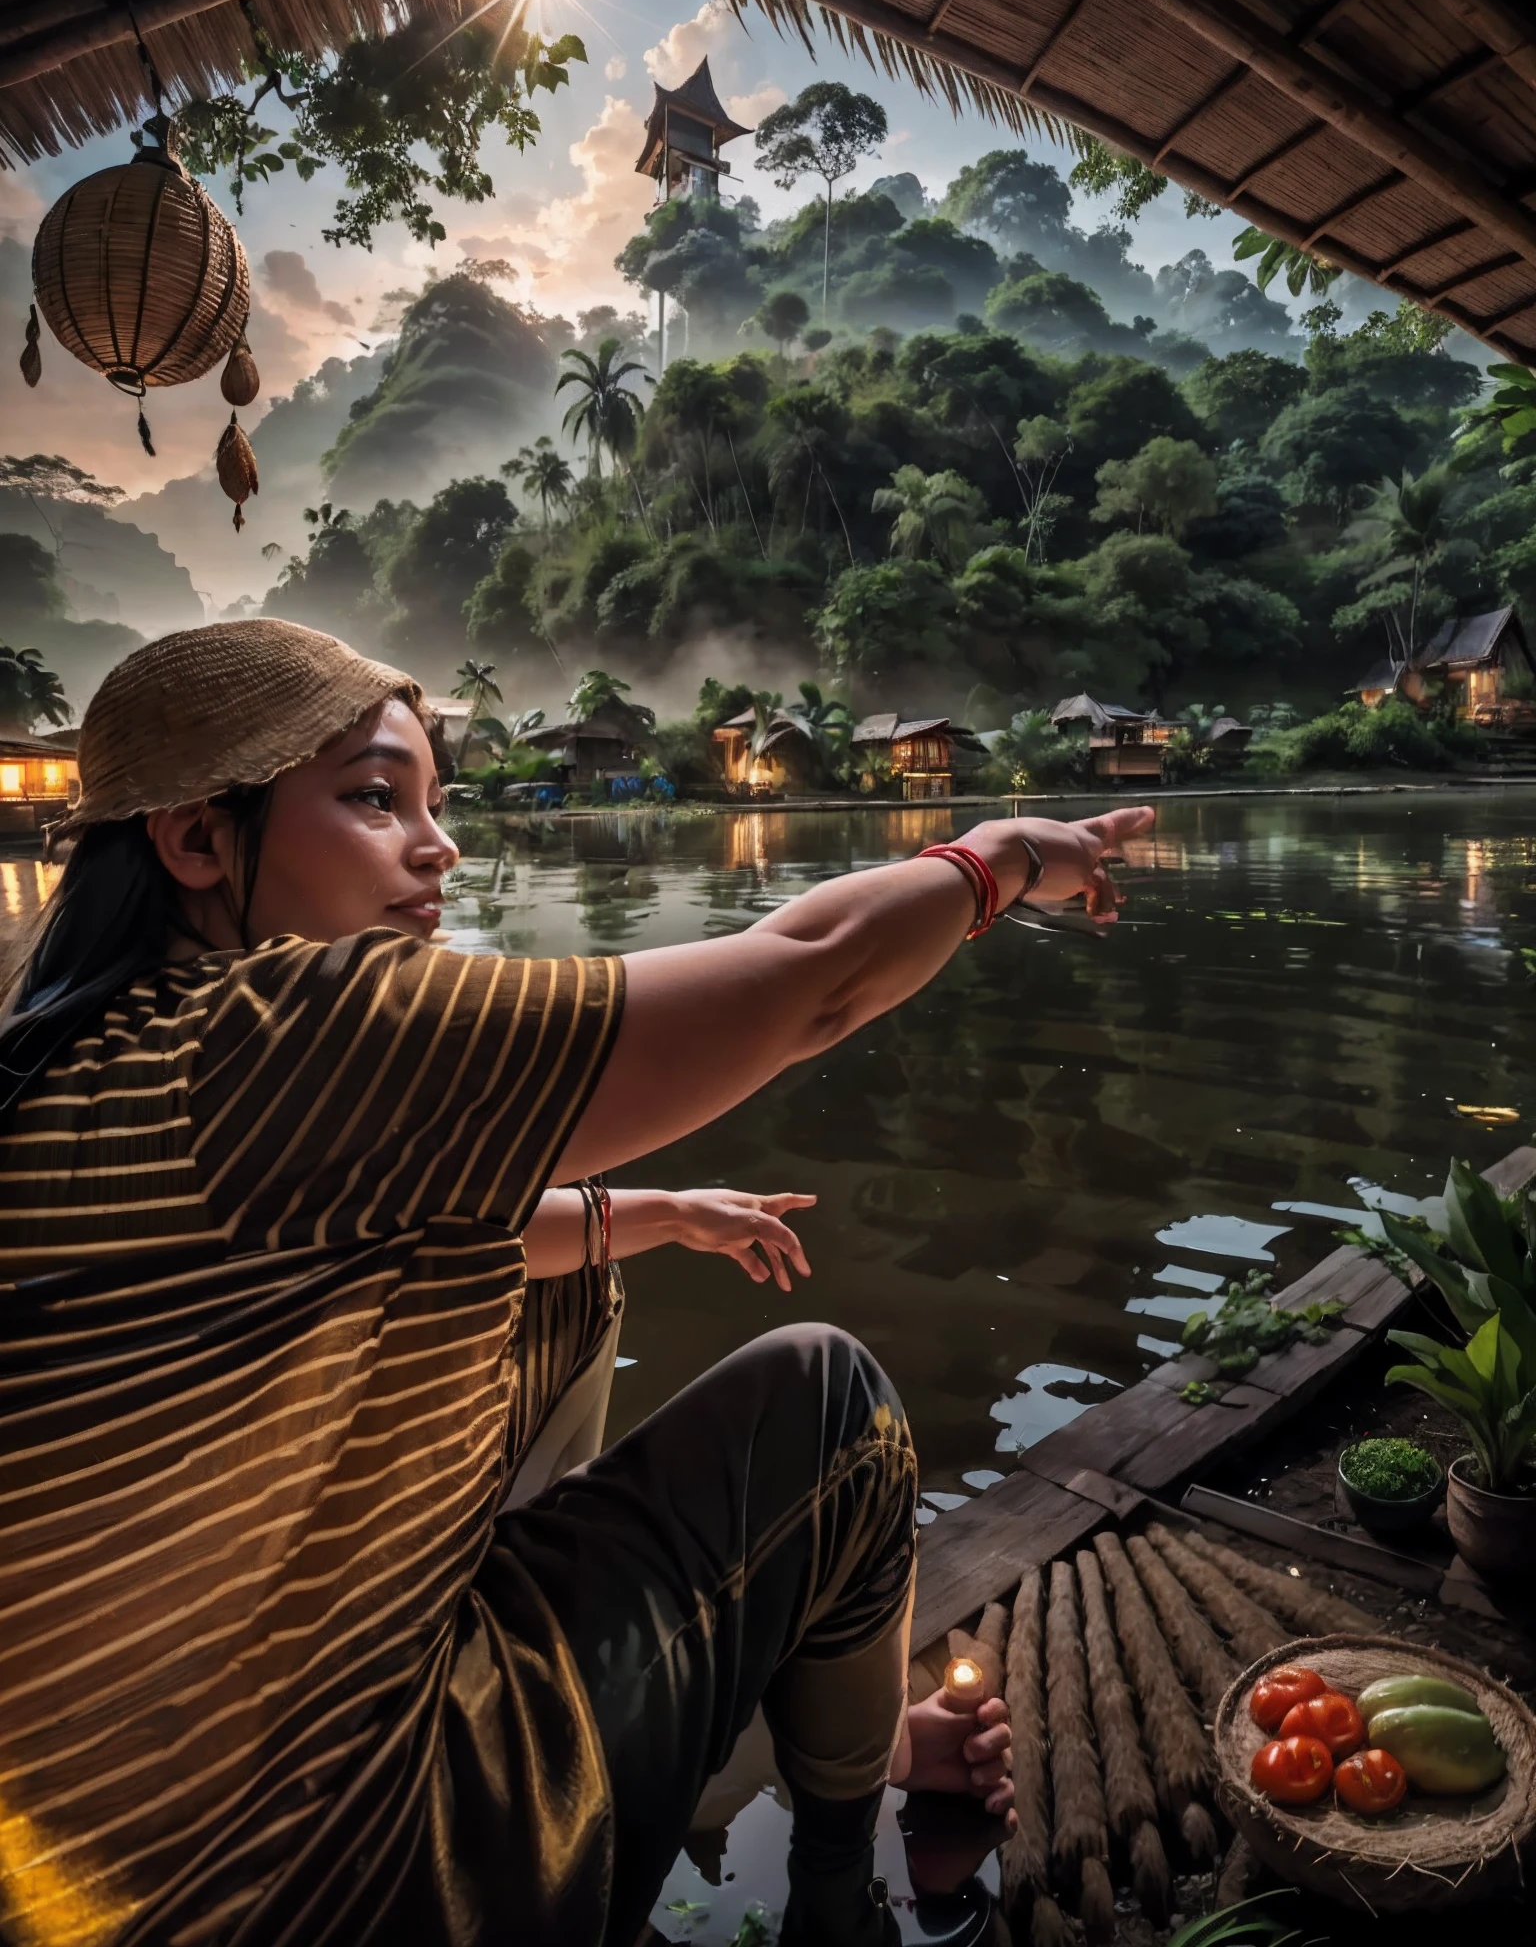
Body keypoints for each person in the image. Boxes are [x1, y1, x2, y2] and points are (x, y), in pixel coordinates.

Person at [0, 621, 1151, 1947]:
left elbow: (388, 1223)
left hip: (97, 1874)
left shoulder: (78, 1063)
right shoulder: (269, 1038)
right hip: (344, 1880)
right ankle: (849, 1895)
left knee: (562, 1275)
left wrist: (646, 1212)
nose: (437, 847)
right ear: (200, 842)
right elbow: (810, 982)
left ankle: (805, 1740)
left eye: (437, 804)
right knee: (827, 1403)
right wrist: (1000, 859)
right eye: (377, 801)